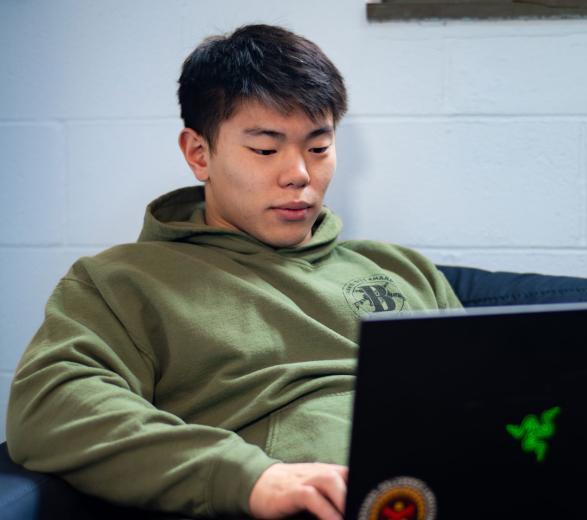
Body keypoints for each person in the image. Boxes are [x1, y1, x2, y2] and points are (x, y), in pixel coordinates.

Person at [6, 24, 461, 520]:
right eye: (266, 149)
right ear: (199, 153)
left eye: (318, 147)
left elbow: (494, 396)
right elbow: (50, 408)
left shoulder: (401, 269)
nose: (299, 174)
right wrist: (249, 477)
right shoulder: (121, 282)